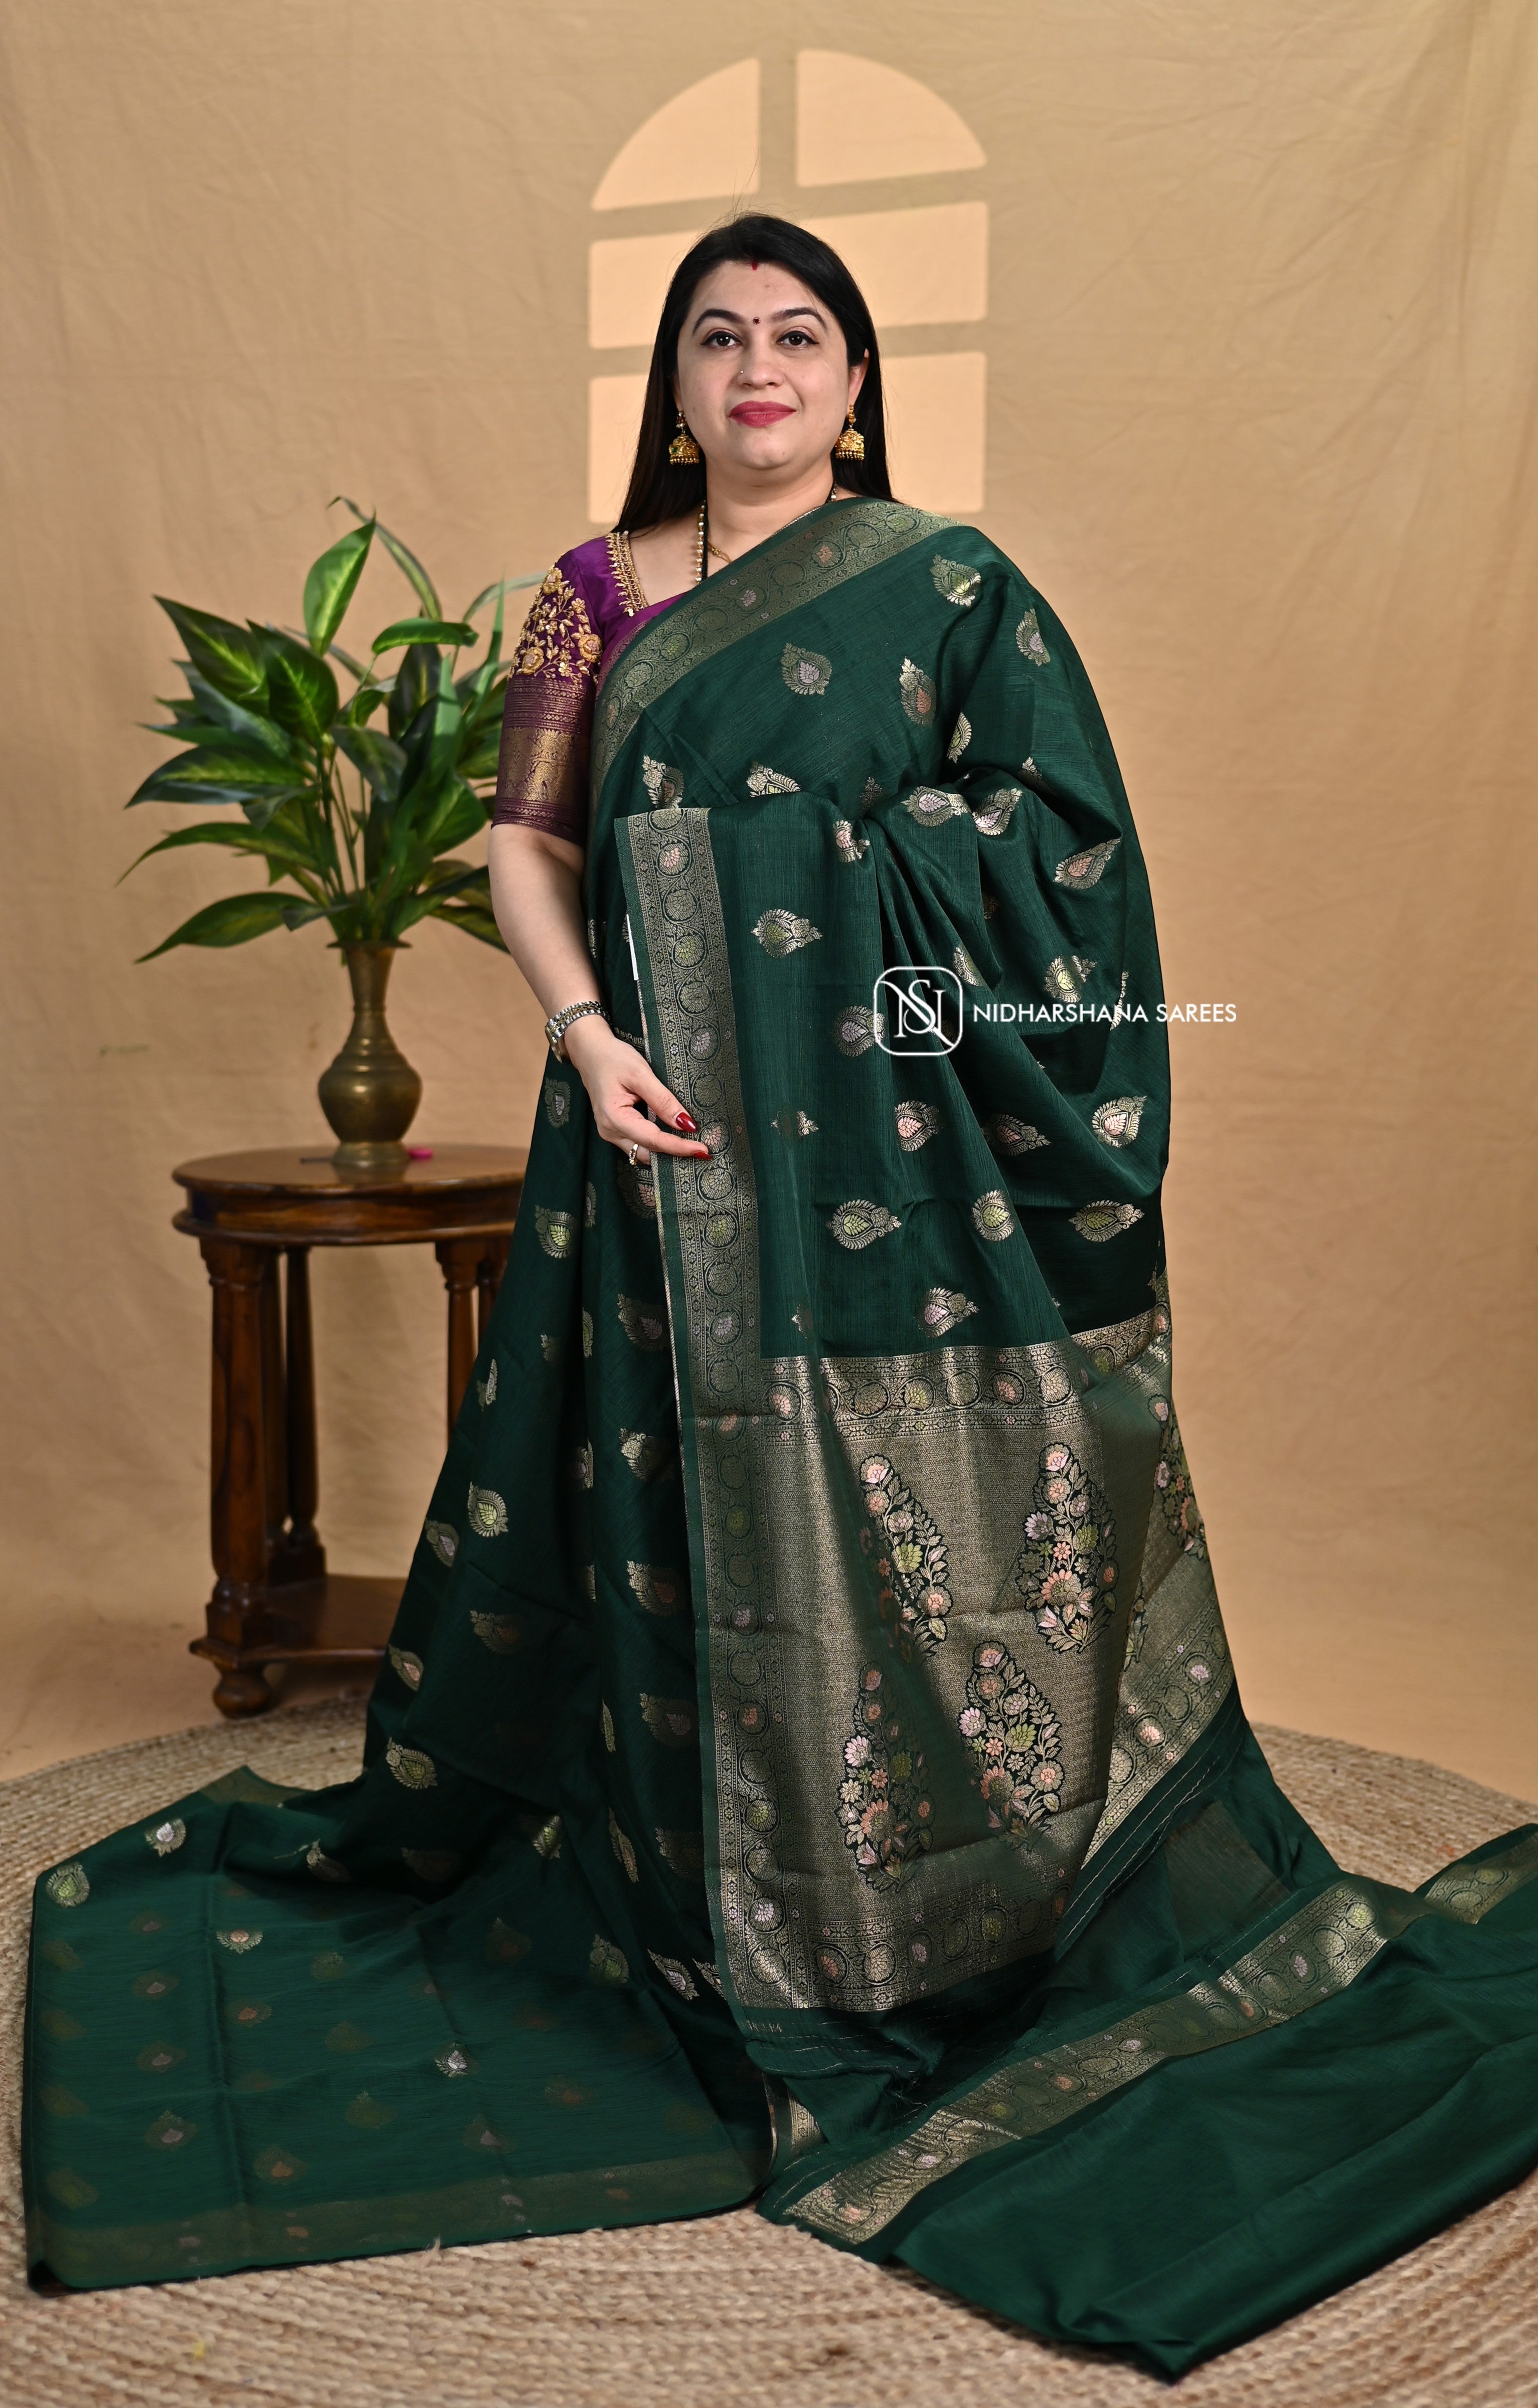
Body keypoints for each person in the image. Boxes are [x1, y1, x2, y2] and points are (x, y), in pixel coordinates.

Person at [24, 215, 1538, 2374]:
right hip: (652, 1130)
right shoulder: (591, 593)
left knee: (909, 1508)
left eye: (798, 334)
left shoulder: (949, 587)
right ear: (673, 377)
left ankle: (946, 1892)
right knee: (667, 1511)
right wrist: (583, 1033)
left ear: (852, 377)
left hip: (893, 1155)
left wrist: (839, 911)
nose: (758, 365)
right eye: (718, 334)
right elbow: (528, 843)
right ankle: (707, 1888)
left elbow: (1063, 858)